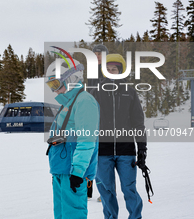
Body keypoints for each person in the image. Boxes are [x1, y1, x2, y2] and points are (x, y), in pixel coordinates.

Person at [91, 54, 147, 219]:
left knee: (129, 189)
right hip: (102, 152)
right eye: (107, 69)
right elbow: (88, 123)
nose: (110, 72)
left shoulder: (129, 93)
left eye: (114, 69)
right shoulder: (96, 93)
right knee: (106, 191)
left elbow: (138, 123)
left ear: (121, 71)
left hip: (126, 151)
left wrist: (142, 148)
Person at [45, 59, 100, 219]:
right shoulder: (67, 103)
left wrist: (77, 172)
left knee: (73, 215)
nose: (54, 90)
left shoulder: (84, 101)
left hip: (72, 172)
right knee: (61, 215)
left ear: (71, 78)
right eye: (51, 86)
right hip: (61, 169)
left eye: (56, 84)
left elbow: (87, 140)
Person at [86, 44, 109, 200]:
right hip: (94, 115)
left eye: (100, 54)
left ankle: (105, 190)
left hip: (107, 115)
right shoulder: (92, 70)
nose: (97, 56)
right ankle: (89, 191)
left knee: (105, 157)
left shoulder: (109, 69)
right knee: (92, 154)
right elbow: (90, 91)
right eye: (95, 54)